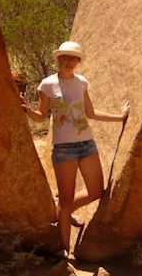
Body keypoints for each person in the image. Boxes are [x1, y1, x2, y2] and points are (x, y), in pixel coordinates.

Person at [21, 40, 129, 256]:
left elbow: (90, 112)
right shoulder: (48, 84)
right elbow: (42, 117)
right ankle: (64, 252)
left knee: (96, 191)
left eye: (74, 58)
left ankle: (64, 212)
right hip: (63, 148)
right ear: (59, 59)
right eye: (65, 57)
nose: (69, 61)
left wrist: (120, 117)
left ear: (78, 61)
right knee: (66, 197)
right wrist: (25, 109)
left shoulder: (81, 82)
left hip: (87, 144)